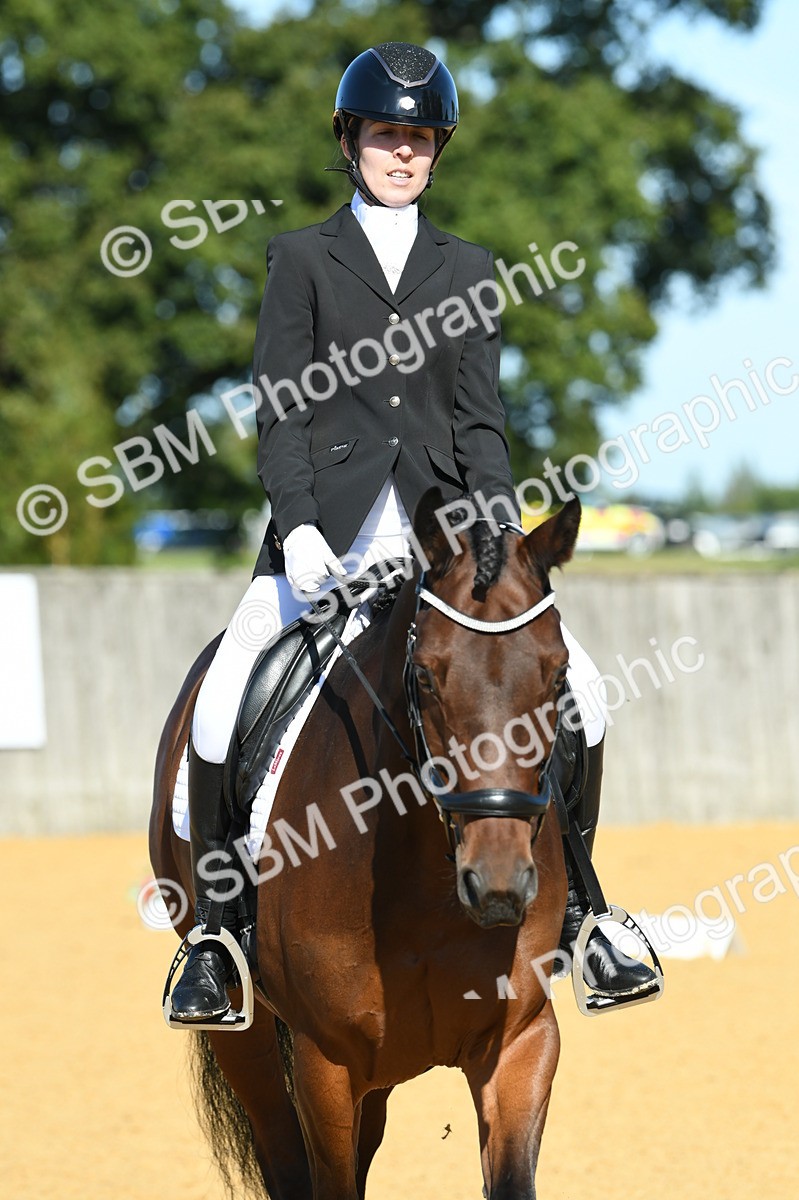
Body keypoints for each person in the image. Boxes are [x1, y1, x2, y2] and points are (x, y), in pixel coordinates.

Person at [167, 41, 657, 1022]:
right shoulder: (303, 259)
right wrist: (298, 527)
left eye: (419, 139)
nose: (402, 153)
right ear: (350, 143)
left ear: (437, 152)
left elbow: (480, 425)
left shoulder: (467, 268)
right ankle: (218, 929)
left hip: (450, 544)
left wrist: (499, 546)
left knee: (587, 696)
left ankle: (584, 915)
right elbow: (280, 413)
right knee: (226, 694)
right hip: (328, 539)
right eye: (386, 135)